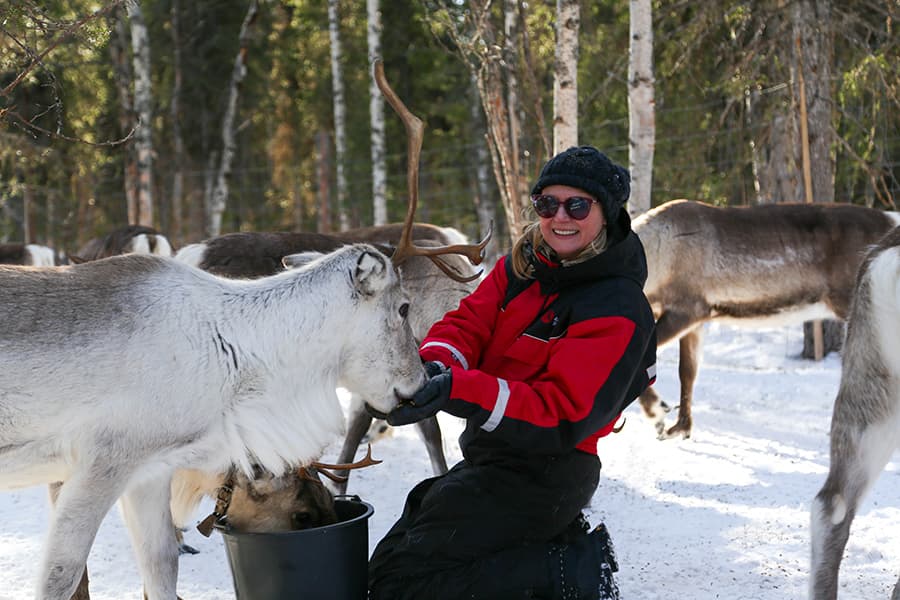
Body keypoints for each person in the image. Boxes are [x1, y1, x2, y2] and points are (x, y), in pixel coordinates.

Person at [368, 146, 657, 600]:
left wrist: (457, 390)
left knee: (399, 584)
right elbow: (467, 325)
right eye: (547, 204)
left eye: (577, 205)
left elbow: (559, 412)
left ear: (606, 213)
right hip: (494, 459)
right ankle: (547, 552)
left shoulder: (617, 308)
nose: (560, 216)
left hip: (549, 473)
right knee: (393, 554)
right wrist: (436, 367)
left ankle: (574, 570)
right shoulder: (523, 269)